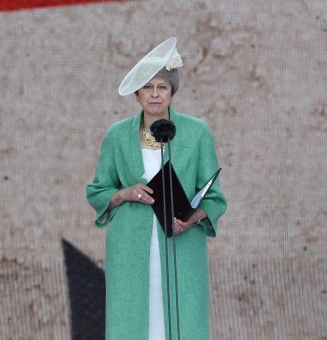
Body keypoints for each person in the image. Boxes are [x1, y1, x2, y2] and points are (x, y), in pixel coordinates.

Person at [86, 37, 227, 340]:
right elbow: (97, 190)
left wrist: (195, 216)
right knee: (132, 323)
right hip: (129, 248)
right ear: (137, 94)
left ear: (172, 91)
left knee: (183, 321)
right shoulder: (117, 136)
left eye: (162, 87)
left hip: (181, 246)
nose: (154, 94)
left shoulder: (197, 132)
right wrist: (125, 193)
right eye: (147, 87)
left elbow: (214, 197)